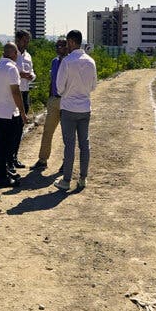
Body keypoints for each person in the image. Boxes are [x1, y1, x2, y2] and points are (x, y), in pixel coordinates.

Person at [55, 29, 97, 192]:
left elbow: (59, 88)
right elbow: (93, 86)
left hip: (69, 108)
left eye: (67, 42)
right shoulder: (90, 61)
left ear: (72, 42)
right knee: (84, 144)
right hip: (85, 108)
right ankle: (82, 178)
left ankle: (66, 180)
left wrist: (67, 93)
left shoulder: (67, 61)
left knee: (69, 145)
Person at [0, 42, 26, 187]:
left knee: (1, 144)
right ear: (12, 54)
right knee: (9, 145)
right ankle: (3, 178)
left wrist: (0, 98)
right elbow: (16, 93)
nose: (17, 55)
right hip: (10, 112)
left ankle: (2, 173)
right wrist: (22, 112)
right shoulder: (12, 69)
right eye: (16, 52)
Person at [32, 37, 67, 170]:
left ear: (67, 47)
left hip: (66, 101)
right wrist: (49, 98)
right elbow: (52, 81)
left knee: (66, 134)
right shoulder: (54, 62)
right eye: (57, 46)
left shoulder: (70, 62)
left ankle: (66, 162)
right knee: (48, 130)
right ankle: (42, 159)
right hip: (53, 100)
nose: (58, 48)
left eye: (61, 46)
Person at [13, 29, 35, 167]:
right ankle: (8, 159)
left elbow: (32, 71)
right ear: (18, 40)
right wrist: (20, 74)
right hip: (13, 94)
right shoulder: (11, 54)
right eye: (25, 40)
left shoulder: (28, 56)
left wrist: (31, 76)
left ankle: (14, 157)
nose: (27, 43)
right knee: (12, 128)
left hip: (25, 93)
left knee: (20, 127)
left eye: (28, 40)